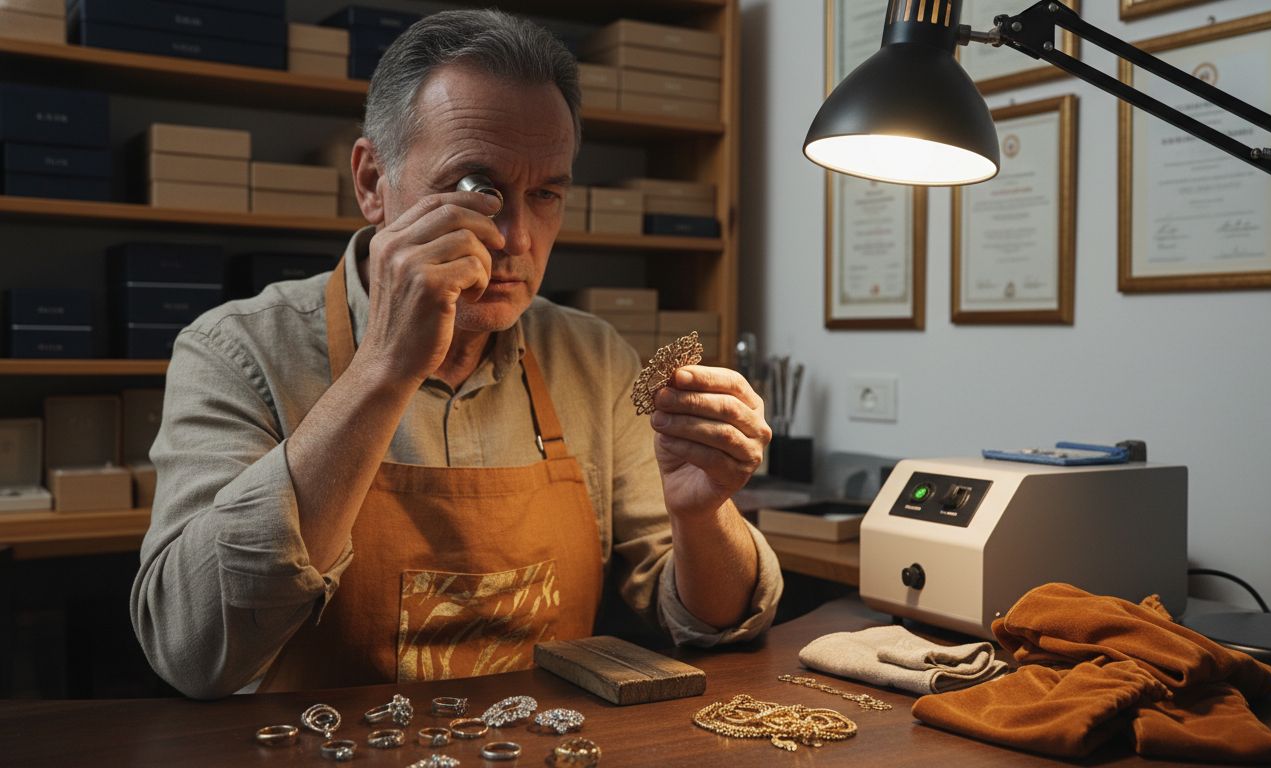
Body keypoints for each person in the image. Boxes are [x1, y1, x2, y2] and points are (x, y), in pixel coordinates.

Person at [129, 9, 782, 698]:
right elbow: (191, 649)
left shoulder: (592, 359)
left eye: (546, 194)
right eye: (478, 189)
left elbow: (712, 622)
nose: (514, 238)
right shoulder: (237, 350)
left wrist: (703, 515)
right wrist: (383, 369)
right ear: (373, 182)